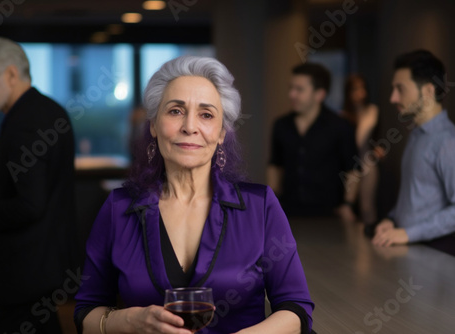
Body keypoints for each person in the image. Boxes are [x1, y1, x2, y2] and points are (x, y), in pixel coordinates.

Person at [74, 56, 314, 334]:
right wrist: (128, 321)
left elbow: (296, 309)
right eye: (175, 111)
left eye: (206, 114)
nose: (190, 126)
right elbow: (85, 313)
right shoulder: (118, 208)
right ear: (153, 125)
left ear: (222, 132)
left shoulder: (260, 206)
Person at [0, 37, 76, 333]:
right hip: (44, 266)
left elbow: (29, 204)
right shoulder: (48, 110)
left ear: (11, 74)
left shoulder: (24, 122)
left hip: (24, 273)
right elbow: (24, 181)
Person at [372, 50, 455, 256]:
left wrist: (408, 233)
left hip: (436, 254)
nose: (393, 98)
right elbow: (415, 197)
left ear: (427, 91)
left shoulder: (448, 141)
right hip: (410, 251)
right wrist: (391, 220)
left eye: (400, 89)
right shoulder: (417, 135)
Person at [267, 63, 358, 221]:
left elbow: (353, 169)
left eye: (299, 89)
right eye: (291, 88)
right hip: (289, 211)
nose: (292, 94)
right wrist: (271, 203)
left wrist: (348, 204)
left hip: (329, 214)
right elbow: (275, 165)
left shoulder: (340, 126)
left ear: (319, 94)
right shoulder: (281, 125)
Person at [341, 74, 380, 226]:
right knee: (349, 206)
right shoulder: (343, 116)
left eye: (362, 88)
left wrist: (378, 147)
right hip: (350, 167)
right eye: (355, 89)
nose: (359, 92)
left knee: (367, 206)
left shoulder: (372, 111)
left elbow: (367, 138)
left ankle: (370, 237)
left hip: (367, 162)